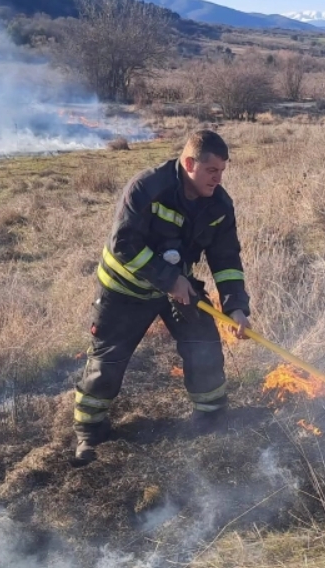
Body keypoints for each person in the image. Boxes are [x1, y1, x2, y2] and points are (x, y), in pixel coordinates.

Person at [72, 129, 252, 463]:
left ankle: (211, 416)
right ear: (189, 164)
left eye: (222, 171)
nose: (218, 179)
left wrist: (236, 307)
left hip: (176, 286)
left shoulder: (219, 205)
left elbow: (226, 259)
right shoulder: (147, 188)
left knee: (204, 343)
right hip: (125, 288)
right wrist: (169, 280)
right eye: (212, 170)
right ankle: (90, 432)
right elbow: (124, 244)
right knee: (108, 360)